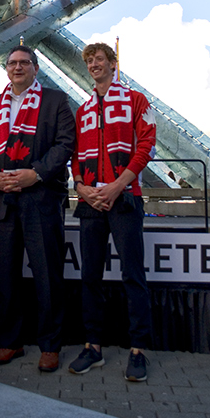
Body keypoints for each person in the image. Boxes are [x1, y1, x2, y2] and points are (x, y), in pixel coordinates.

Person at [0, 45, 75, 373]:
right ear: (6, 69)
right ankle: (10, 342)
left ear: (35, 68)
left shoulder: (55, 101)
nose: (18, 68)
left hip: (41, 199)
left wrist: (37, 173)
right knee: (6, 277)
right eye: (13, 63)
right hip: (3, 200)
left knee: (47, 275)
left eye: (24, 63)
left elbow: (65, 144)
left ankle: (50, 345)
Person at [68, 42, 156, 382]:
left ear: (112, 63)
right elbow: (75, 155)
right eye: (89, 60)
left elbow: (147, 144)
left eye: (99, 59)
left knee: (133, 275)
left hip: (125, 199)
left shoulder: (135, 100)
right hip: (90, 203)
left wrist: (119, 185)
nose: (93, 64)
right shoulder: (83, 110)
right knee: (89, 277)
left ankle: (138, 350)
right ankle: (93, 347)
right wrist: (80, 187)